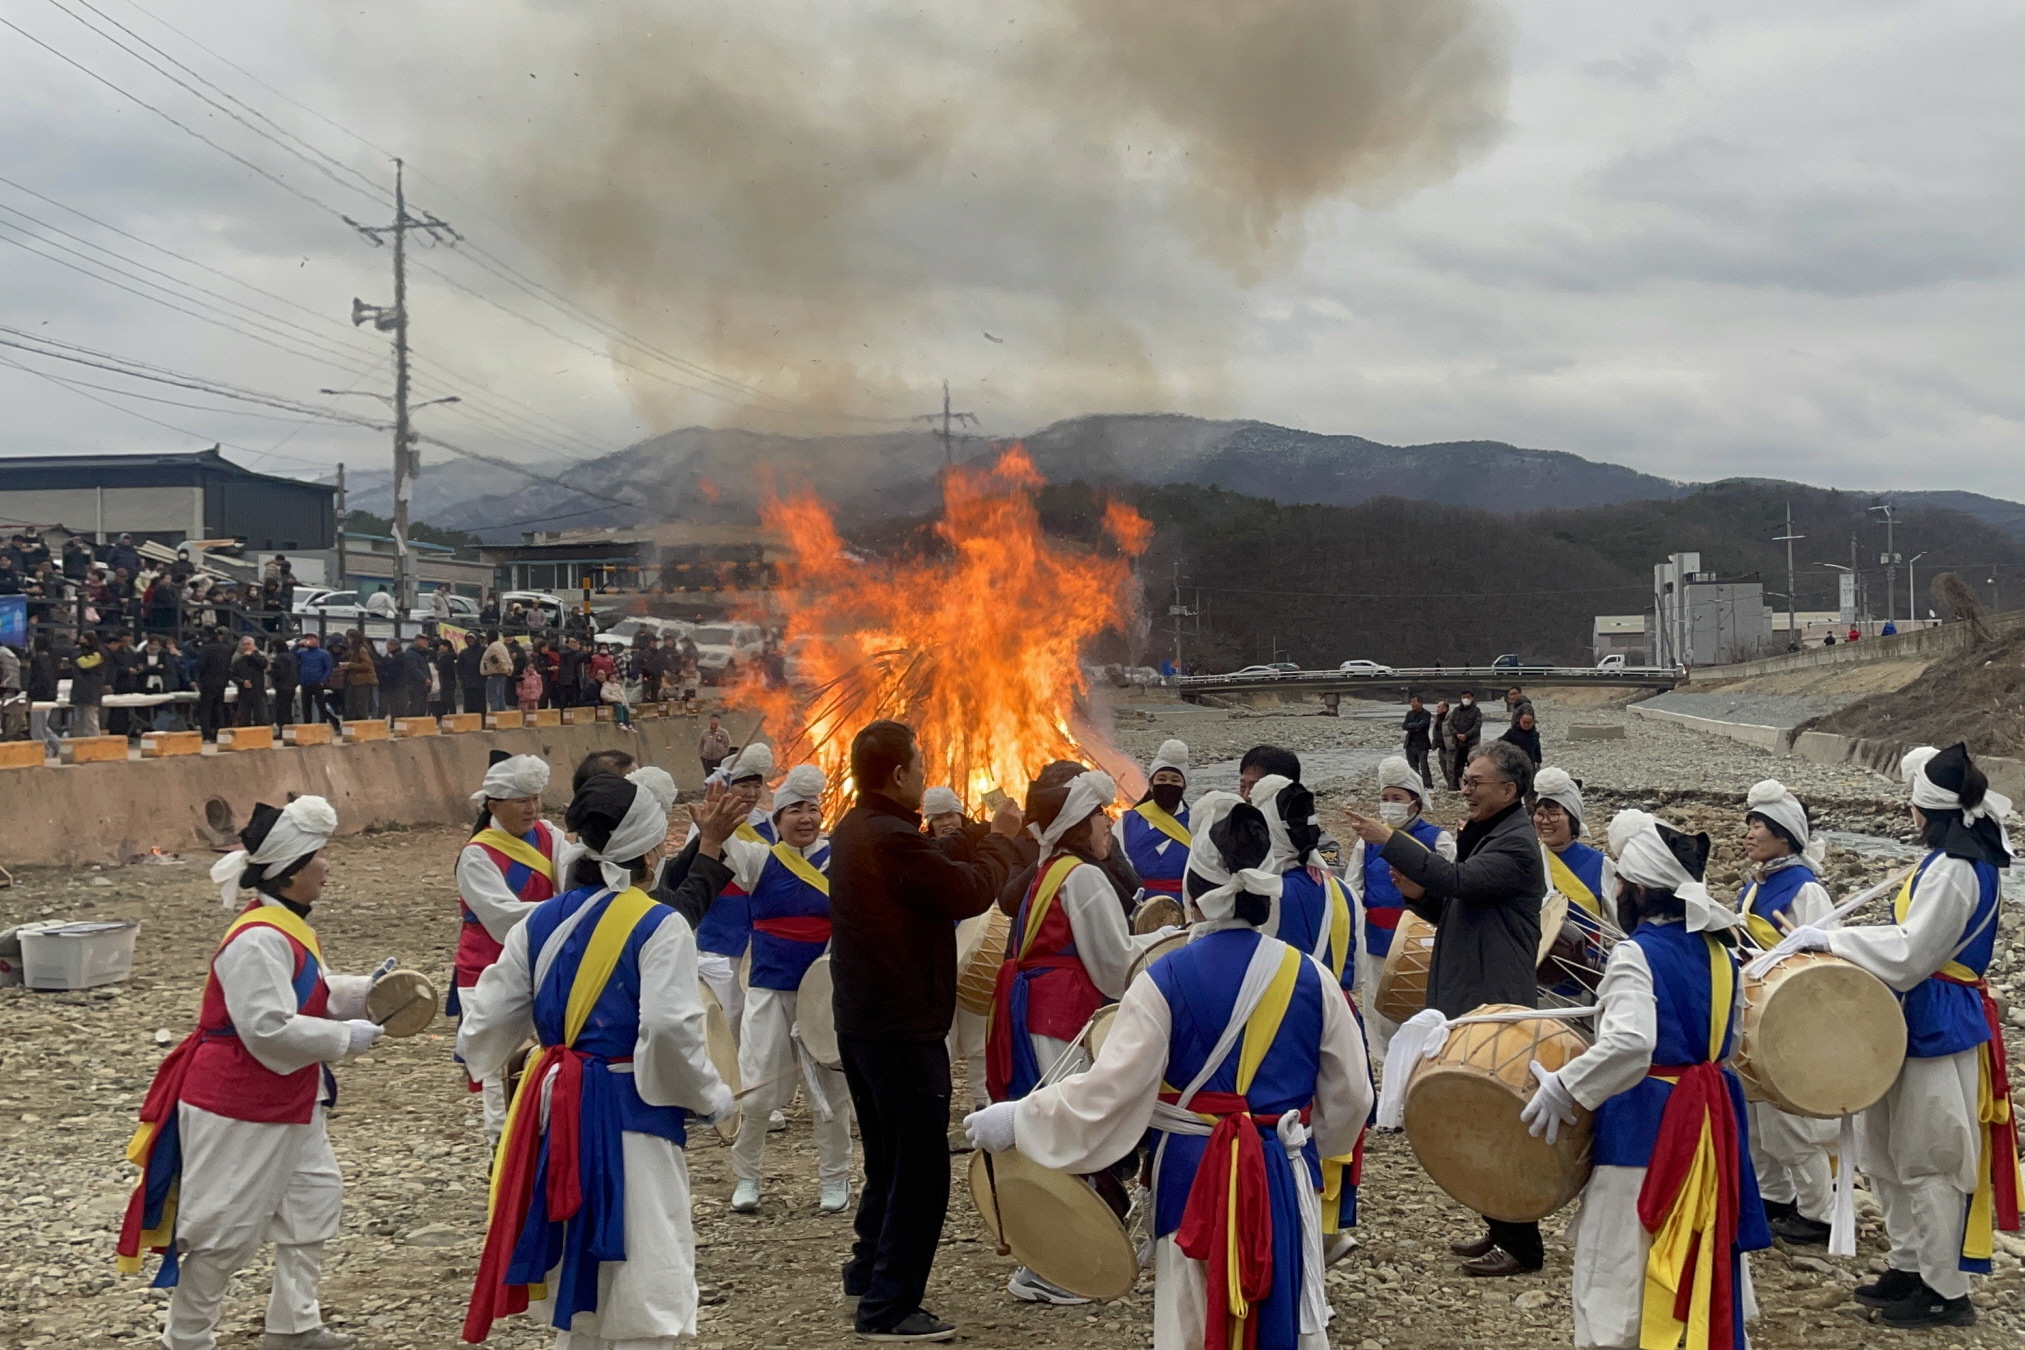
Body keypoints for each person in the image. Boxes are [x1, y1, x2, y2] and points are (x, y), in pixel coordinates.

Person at [966, 786, 1373, 1350]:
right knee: (1279, 1300)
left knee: (1190, 1315)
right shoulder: (1311, 977)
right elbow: (1353, 1095)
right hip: (1279, 1168)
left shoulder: (1163, 980)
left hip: (1190, 1171)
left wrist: (1018, 1119)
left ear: (1197, 891)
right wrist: (1296, 1145)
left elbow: (1109, 1093)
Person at [459, 772, 732, 1349]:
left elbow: (484, 1023)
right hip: (630, 1110)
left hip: (556, 1114)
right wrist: (710, 1097)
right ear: (653, 850)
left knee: (577, 1275)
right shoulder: (661, 924)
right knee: (646, 1273)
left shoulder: (539, 920)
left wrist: (485, 1059)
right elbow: (667, 1028)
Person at [117, 796, 389, 1350]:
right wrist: (344, 1038)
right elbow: (264, 1027)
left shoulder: (282, 925)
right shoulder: (258, 937)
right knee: (223, 1230)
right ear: (291, 873)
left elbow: (305, 995)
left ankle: (294, 1323)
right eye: (318, 856)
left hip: (287, 1094)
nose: (327, 866)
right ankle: (187, 1338)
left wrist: (366, 993)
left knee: (313, 1199)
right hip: (239, 1099)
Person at [1781, 744, 2021, 1328]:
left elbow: (1914, 952)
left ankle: (1945, 1287)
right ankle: (1910, 1262)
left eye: (1911, 806)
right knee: (1885, 1149)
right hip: (1908, 1016)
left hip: (1938, 1016)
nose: (1908, 815)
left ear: (1925, 811)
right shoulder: (1944, 861)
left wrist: (1830, 940)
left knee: (1929, 1153)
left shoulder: (1960, 868)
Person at [1522, 808, 1770, 1350]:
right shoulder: (1720, 948)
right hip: (1710, 1121)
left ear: (1636, 888)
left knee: (1620, 1258)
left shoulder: (1637, 953)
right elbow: (1727, 1041)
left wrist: (1566, 1084)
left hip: (1646, 1123)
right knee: (1699, 1243)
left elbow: (1632, 1044)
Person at [828, 719, 1022, 1341]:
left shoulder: (859, 828)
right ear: (898, 774)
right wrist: (1000, 840)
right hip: (902, 1029)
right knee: (919, 1170)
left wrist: (965, 840)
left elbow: (932, 869)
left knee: (886, 1158)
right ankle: (888, 1306)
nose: (925, 769)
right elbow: (968, 892)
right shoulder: (890, 840)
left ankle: (867, 1270)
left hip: (864, 1024)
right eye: (919, 762)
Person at [1343, 738, 1546, 1275]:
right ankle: (1497, 1226)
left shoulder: (1517, 844)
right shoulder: (1492, 834)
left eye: (1475, 783)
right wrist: (1417, 895)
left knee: (1501, 1124)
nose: (1466, 790)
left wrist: (1392, 841)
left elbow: (1460, 881)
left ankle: (1523, 1246)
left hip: (1497, 1001)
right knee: (1480, 1120)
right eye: (1464, 781)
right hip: (1474, 995)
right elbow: (1459, 905)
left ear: (1509, 789)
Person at [720, 764, 854, 1213]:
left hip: (823, 995)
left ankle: (835, 1180)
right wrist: (719, 817)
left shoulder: (840, 860)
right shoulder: (759, 860)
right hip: (768, 990)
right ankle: (747, 1179)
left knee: (833, 1097)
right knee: (756, 1094)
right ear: (776, 820)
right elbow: (721, 847)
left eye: (812, 809)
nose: (805, 817)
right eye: (794, 809)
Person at [1731, 779, 1838, 1245]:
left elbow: (1823, 956)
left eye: (1760, 825)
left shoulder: (1805, 889)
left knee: (1789, 1120)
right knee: (1756, 1116)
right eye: (1750, 822)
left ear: (1785, 836)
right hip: (1754, 1014)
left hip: (1790, 1016)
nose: (1750, 832)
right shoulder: (1757, 886)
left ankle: (1819, 1211)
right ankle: (1775, 1196)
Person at [452, 753, 574, 1141]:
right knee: (497, 1064)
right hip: (486, 968)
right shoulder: (476, 855)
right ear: (494, 805)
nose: (533, 808)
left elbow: (572, 875)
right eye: (522, 800)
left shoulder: (547, 835)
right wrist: (570, 910)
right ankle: (499, 1146)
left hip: (537, 962)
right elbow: (504, 919)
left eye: (536, 798)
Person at [1341, 755, 1455, 1059]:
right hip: (1377, 943)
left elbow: (1450, 887)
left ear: (1414, 802)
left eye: (1397, 798)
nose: (1390, 804)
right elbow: (1353, 889)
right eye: (1385, 798)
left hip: (1423, 943)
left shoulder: (1437, 839)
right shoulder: (1367, 842)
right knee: (1382, 1020)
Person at [690, 744, 775, 1048]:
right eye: (743, 785)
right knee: (723, 1019)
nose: (751, 793)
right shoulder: (706, 822)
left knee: (753, 1022)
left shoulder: (769, 823)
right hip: (720, 936)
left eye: (756, 785)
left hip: (757, 938)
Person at [1531, 767, 1614, 1001]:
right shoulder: (1528, 860)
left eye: (1553, 814)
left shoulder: (1599, 865)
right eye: (1539, 813)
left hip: (1588, 981)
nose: (1544, 821)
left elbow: (1624, 923)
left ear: (1573, 818)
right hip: (1537, 985)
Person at [1114, 738, 1192, 905]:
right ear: (1151, 784)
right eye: (1162, 779)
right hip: (1137, 904)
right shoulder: (1126, 822)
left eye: (1175, 780)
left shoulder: (1195, 823)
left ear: (1184, 786)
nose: (1168, 784)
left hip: (1184, 906)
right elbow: (1117, 863)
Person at [68, 631, 106, 737]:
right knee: (78, 719)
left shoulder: (98, 653)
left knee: (90, 718)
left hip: (91, 690)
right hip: (79, 689)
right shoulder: (80, 651)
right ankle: (78, 741)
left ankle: (95, 742)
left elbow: (83, 664)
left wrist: (76, 653)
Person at [1445, 690, 1481, 791]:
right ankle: (1456, 786)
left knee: (1473, 766)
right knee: (1457, 766)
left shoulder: (1476, 711)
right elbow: (1450, 724)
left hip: (1471, 744)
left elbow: (1477, 726)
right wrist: (1456, 734)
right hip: (1458, 743)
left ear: (1472, 698)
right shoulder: (1456, 710)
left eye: (1468, 697)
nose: (1466, 699)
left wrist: (1466, 735)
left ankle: (1473, 786)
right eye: (1464, 697)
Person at [231, 636, 270, 728]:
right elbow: (232, 675)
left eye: (248, 644)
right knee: (244, 719)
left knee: (261, 718)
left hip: (258, 692)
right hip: (244, 693)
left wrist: (253, 654)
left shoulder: (259, 657)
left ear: (253, 645)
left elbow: (264, 664)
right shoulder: (239, 660)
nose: (246, 647)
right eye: (244, 645)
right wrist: (242, 681)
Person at [295, 634, 333, 727]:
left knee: (320, 704)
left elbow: (328, 668)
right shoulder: (302, 653)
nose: (309, 641)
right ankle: (307, 724)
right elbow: (291, 654)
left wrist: (322, 680)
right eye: (307, 639)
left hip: (317, 682)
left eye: (311, 639)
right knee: (306, 705)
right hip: (305, 682)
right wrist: (298, 645)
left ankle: (323, 722)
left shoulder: (323, 653)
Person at [339, 632, 376, 723]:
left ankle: (362, 726)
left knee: (361, 706)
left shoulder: (361, 650)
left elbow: (366, 665)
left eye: (349, 638)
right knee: (350, 706)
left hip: (362, 681)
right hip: (354, 681)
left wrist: (349, 665)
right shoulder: (353, 650)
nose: (348, 640)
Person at [1401, 694, 1432, 787]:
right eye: (1411, 702)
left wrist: (1411, 726)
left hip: (1422, 745)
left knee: (1424, 766)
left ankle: (1428, 785)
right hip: (1410, 744)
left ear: (1421, 703)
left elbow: (1423, 725)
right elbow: (1404, 726)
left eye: (1414, 702)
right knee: (1413, 767)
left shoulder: (1426, 713)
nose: (1412, 704)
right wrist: (1414, 726)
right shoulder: (1409, 714)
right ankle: (1417, 784)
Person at [479, 630, 513, 712]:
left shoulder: (493, 647)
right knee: (500, 697)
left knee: (494, 698)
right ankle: (501, 717)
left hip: (495, 675)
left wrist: (503, 670)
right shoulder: (500, 645)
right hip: (500, 675)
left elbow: (497, 660)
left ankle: (496, 716)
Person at [456, 633, 485, 715]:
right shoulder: (463, 652)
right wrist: (462, 678)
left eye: (472, 638)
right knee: (468, 705)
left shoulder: (483, 650)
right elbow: (459, 667)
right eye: (468, 639)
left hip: (480, 683)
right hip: (467, 684)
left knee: (480, 705)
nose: (470, 640)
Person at [699, 713, 732, 777]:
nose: (713, 722)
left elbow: (727, 745)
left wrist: (724, 755)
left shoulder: (723, 733)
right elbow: (700, 745)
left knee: (718, 776)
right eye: (712, 720)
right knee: (709, 776)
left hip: (719, 759)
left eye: (715, 720)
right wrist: (702, 756)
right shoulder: (705, 733)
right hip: (707, 760)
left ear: (718, 721)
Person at [1430, 698, 1451, 792]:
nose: (1437, 709)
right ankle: (1449, 785)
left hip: (1450, 748)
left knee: (1451, 769)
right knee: (1443, 768)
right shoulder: (1437, 718)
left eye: (1439, 707)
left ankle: (1454, 787)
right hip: (1440, 747)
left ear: (1445, 708)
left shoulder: (1452, 718)